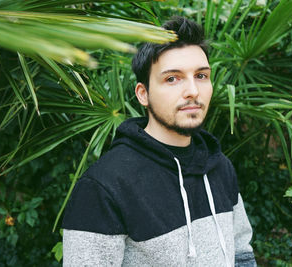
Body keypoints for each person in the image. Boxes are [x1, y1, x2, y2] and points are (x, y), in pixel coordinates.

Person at [62, 16, 256, 267]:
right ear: (143, 94)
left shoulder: (219, 166)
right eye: (172, 78)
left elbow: (241, 254)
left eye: (201, 75)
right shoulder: (103, 186)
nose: (193, 91)